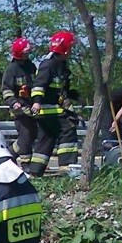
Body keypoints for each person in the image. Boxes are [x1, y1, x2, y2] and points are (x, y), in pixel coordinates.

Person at [29, 30, 75, 177]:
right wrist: (36, 102)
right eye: (70, 47)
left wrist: (75, 97)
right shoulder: (48, 65)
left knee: (46, 139)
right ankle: (67, 167)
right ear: (65, 48)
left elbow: (62, 90)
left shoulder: (61, 65)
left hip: (54, 110)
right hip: (49, 110)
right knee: (68, 130)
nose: (71, 50)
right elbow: (38, 85)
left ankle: (35, 172)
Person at [1, 37, 38, 172]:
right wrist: (13, 102)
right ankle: (26, 164)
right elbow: (6, 90)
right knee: (26, 135)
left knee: (32, 135)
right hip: (19, 109)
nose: (27, 55)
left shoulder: (31, 66)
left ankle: (10, 154)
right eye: (25, 53)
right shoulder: (12, 69)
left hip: (32, 107)